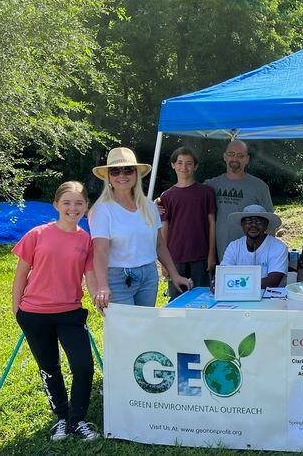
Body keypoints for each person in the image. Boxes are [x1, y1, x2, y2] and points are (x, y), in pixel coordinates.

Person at [11, 181, 99, 441]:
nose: (73, 208)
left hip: (70, 313)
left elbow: (91, 276)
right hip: (34, 314)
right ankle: (61, 417)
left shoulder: (86, 240)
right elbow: (21, 275)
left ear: (86, 207)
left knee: (84, 367)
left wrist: (99, 298)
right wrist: (17, 311)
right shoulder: (37, 234)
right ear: (56, 205)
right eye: (67, 203)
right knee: (50, 368)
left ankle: (78, 419)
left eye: (79, 203)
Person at [89, 147, 192, 308]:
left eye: (128, 170)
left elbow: (159, 245)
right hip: (117, 277)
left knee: (145, 328)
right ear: (108, 177)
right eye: (115, 171)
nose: (122, 176)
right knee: (124, 330)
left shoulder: (149, 206)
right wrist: (102, 286)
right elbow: (100, 251)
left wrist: (175, 275)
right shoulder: (102, 210)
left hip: (149, 276)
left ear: (136, 174)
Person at [158, 146, 216, 298]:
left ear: (195, 166)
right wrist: (165, 262)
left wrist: (211, 254)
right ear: (173, 165)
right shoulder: (167, 196)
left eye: (189, 163)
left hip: (201, 256)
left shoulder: (206, 192)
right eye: (180, 162)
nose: (184, 167)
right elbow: (164, 229)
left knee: (201, 297)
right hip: (175, 257)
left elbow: (212, 224)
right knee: (177, 299)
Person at [205, 140, 273, 260]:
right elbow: (188, 196)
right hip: (217, 253)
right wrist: (162, 200)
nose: (235, 158)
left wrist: (268, 254)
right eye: (231, 154)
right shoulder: (211, 185)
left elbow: (270, 225)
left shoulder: (260, 187)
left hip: (251, 255)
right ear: (224, 156)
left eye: (240, 155)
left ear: (246, 159)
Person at [221, 205, 288, 288]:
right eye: (248, 221)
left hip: (271, 299)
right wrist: (217, 282)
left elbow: (272, 282)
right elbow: (223, 274)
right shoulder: (234, 246)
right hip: (239, 296)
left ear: (266, 225)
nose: (253, 225)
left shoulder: (278, 247)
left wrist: (232, 283)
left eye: (259, 222)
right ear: (242, 224)